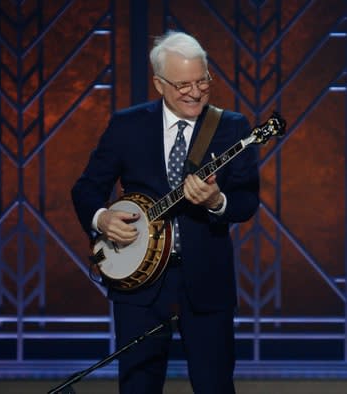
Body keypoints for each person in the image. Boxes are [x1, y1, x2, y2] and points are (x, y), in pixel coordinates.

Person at [71, 31, 259, 393]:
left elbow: (247, 201)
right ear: (159, 83)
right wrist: (101, 219)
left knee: (214, 385)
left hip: (206, 281)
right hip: (138, 283)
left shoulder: (231, 127)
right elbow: (87, 189)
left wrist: (216, 201)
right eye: (183, 84)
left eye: (202, 81)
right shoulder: (127, 126)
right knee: (138, 385)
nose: (195, 92)